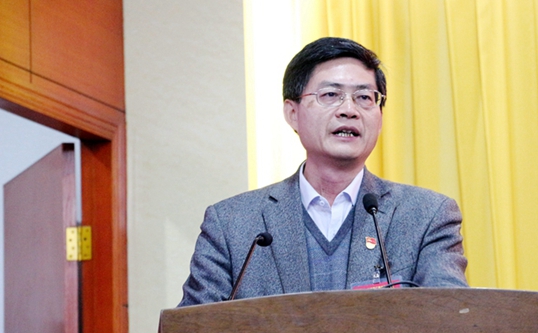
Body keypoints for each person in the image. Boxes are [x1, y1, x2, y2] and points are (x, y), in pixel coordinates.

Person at [178, 37, 467, 307]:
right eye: (331, 94)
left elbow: (452, 322)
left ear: (380, 116)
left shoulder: (426, 216)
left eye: (364, 97)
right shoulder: (232, 224)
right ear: (293, 113)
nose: (349, 110)